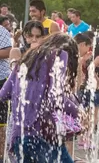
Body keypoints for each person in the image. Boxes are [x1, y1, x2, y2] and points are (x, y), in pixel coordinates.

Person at [0, 33, 83, 162]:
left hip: (19, 138)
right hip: (42, 137)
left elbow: (3, 94)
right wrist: (80, 113)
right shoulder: (60, 54)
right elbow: (55, 98)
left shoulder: (25, 60)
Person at [0, 22, 12, 162]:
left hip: (1, 80)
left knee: (1, 122)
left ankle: (1, 156)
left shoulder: (1, 31)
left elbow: (8, 51)